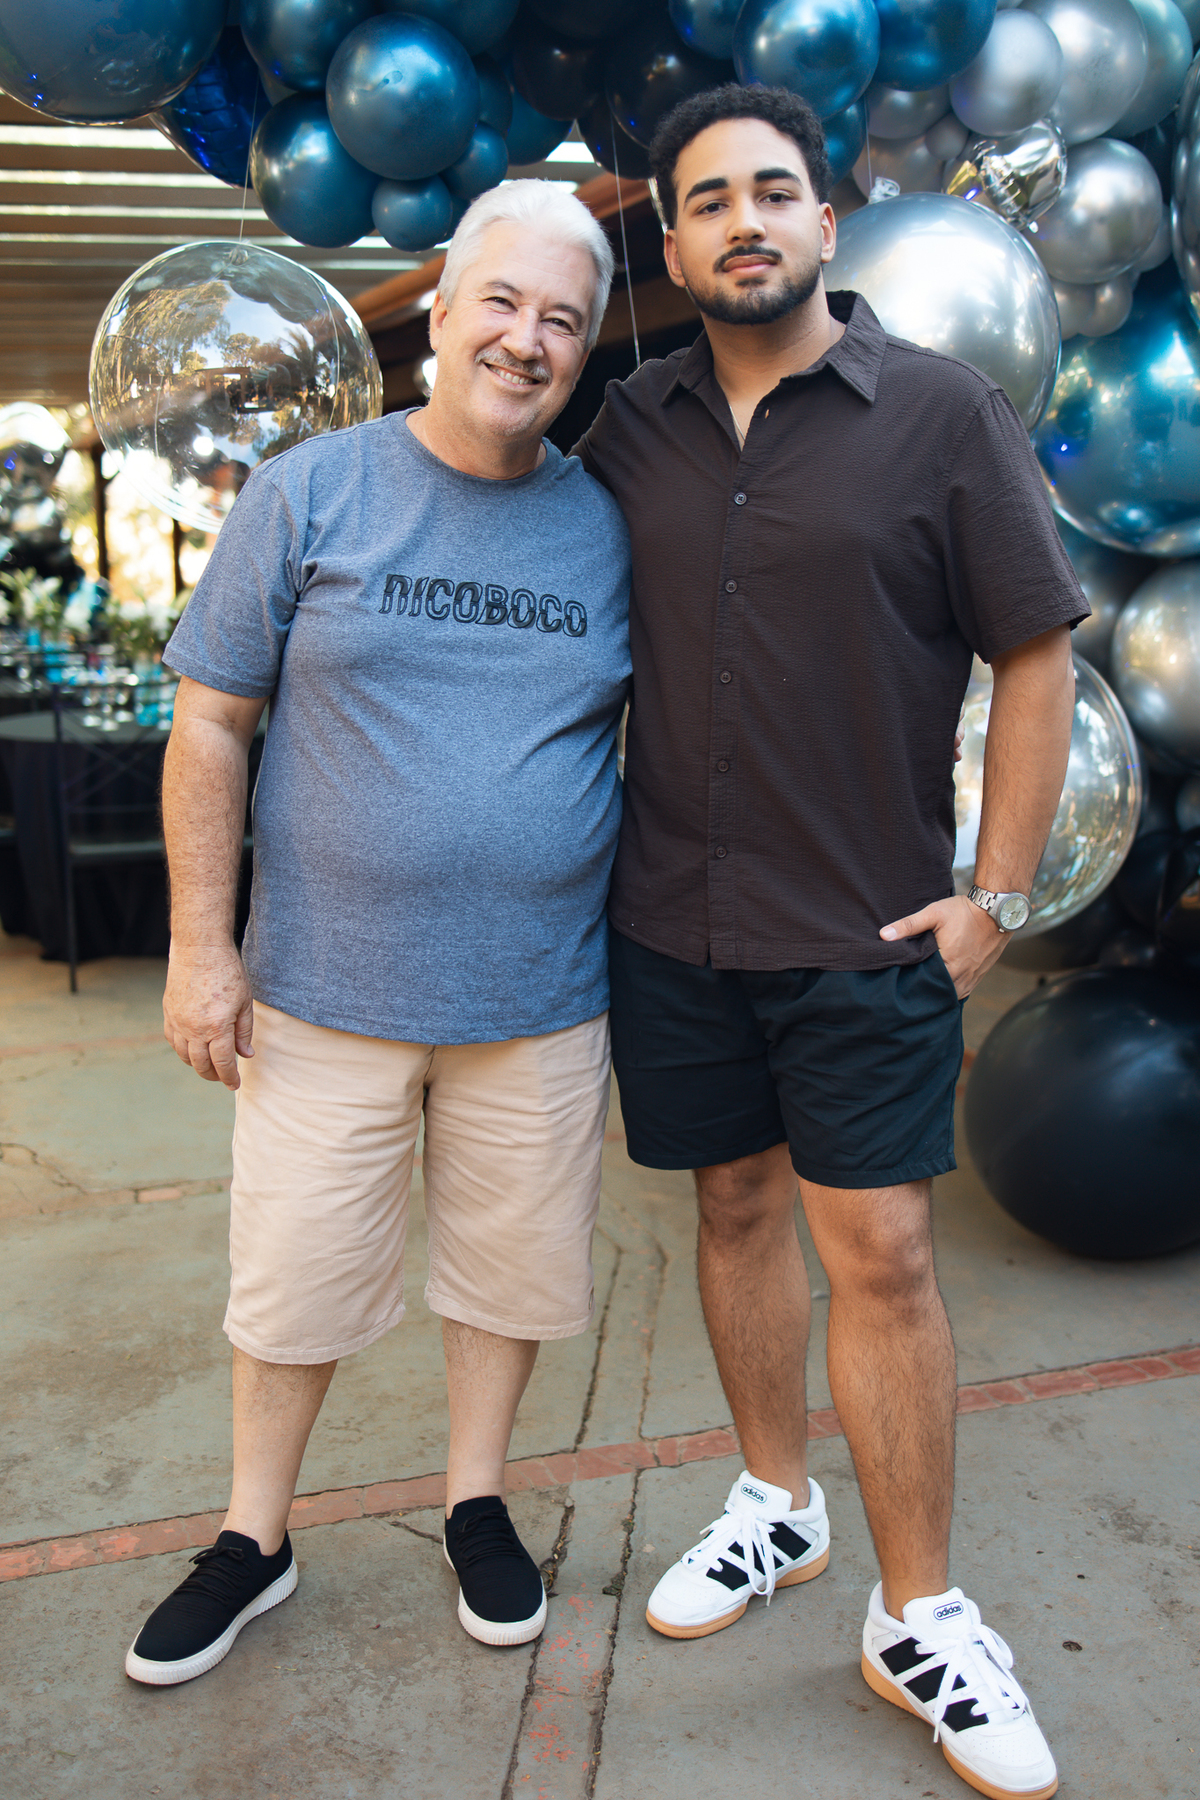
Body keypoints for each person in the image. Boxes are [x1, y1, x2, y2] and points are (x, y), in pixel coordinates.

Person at [573, 86, 1083, 1800]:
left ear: (827, 220)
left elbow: (1035, 651)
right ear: (672, 243)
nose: (746, 220)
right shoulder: (628, 429)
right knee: (730, 1210)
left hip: (869, 927)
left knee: (883, 1260)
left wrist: (995, 892)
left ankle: (918, 1612)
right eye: (710, 199)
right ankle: (775, 1501)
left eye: (774, 190)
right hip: (673, 919)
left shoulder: (940, 412)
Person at [123, 180, 631, 1686]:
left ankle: (477, 1502)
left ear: (586, 349)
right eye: (503, 302)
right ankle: (254, 1535)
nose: (527, 340)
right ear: (441, 312)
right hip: (321, 988)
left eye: (563, 320)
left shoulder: (609, 527)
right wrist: (199, 947)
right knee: (290, 1286)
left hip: (540, 992)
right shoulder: (311, 491)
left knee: (510, 1275)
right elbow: (210, 726)